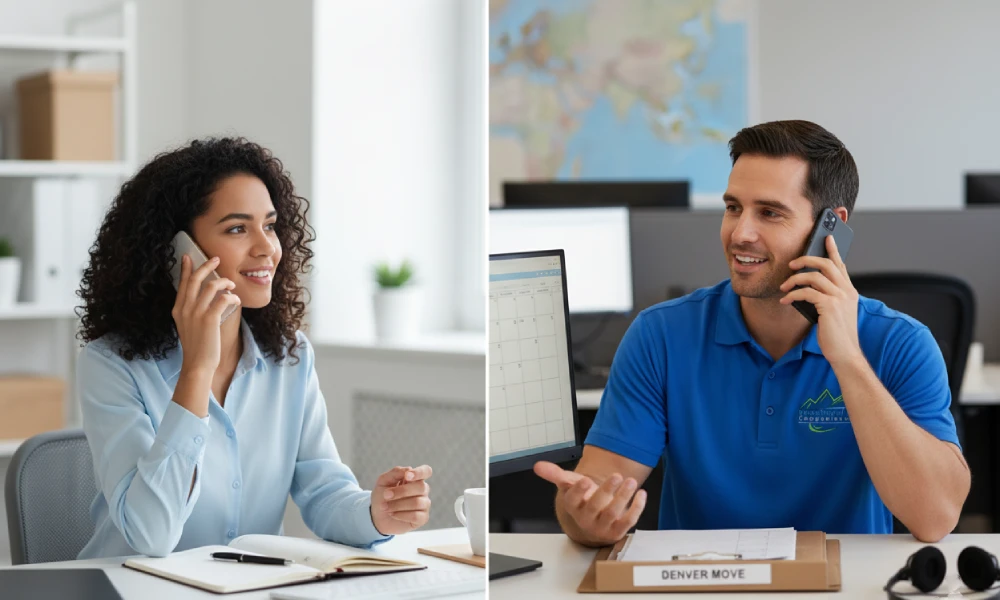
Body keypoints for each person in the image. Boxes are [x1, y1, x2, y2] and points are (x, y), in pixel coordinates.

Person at [535, 120, 969, 545]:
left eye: (770, 213)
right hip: (701, 583)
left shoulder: (900, 343)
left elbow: (934, 519)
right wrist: (587, 517)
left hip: (842, 589)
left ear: (830, 226)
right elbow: (594, 495)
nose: (740, 233)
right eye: (732, 207)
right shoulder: (661, 335)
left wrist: (848, 360)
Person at [75, 137, 433, 558]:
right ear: (175, 252)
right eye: (237, 228)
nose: (266, 248)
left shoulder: (289, 357)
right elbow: (151, 534)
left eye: (269, 224)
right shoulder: (111, 364)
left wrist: (376, 513)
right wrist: (197, 370)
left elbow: (324, 492)